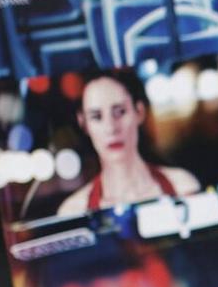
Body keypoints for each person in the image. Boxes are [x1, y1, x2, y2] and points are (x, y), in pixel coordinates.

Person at [58, 71, 199, 216]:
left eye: (120, 112)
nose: (111, 128)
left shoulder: (182, 186)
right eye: (96, 117)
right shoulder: (74, 211)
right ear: (83, 123)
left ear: (139, 112)